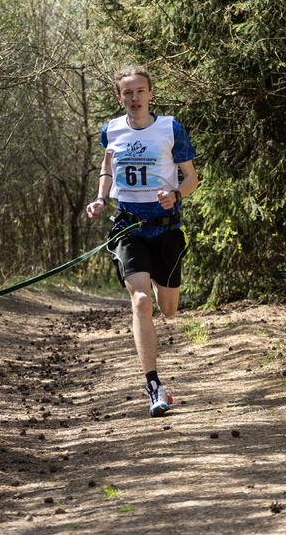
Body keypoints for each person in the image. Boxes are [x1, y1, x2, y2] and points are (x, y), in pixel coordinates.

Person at [86, 65, 198, 417]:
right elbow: (107, 167)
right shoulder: (111, 130)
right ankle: (154, 386)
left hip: (167, 229)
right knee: (140, 301)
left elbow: (191, 178)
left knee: (168, 309)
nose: (134, 98)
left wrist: (176, 195)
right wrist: (100, 198)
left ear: (150, 94)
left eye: (140, 91)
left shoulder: (170, 129)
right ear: (119, 97)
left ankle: (164, 296)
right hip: (128, 229)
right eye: (127, 92)